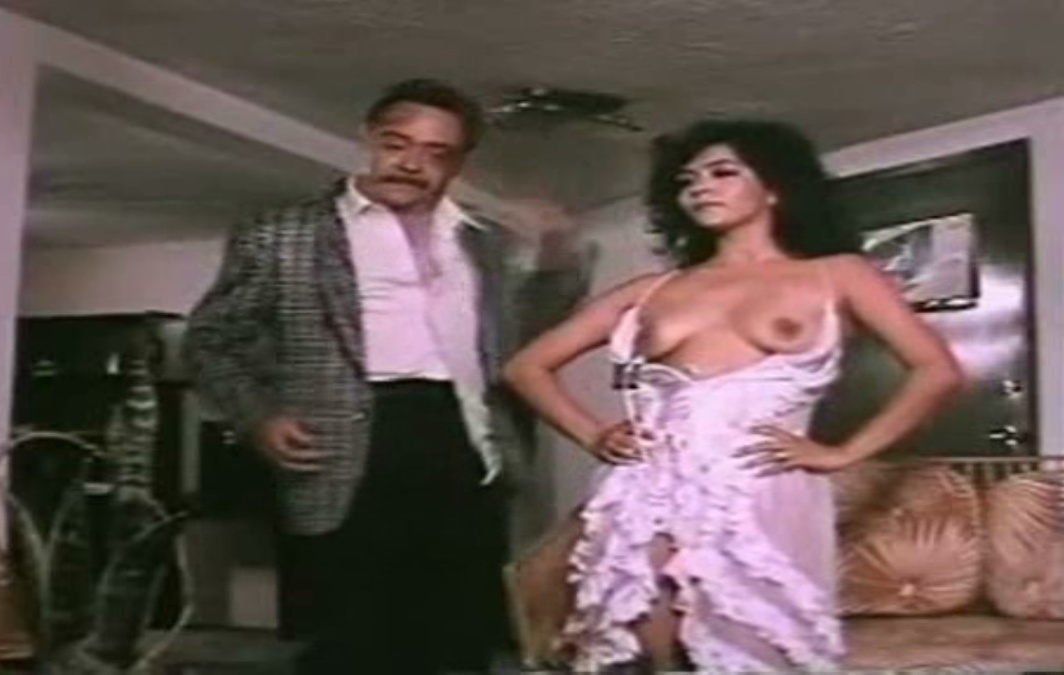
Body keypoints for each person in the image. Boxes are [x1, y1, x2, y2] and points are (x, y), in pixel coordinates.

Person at [502, 119, 964, 673]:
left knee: (750, 648)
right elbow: (526, 367)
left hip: (761, 483)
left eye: (722, 173)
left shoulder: (838, 275)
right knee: (647, 644)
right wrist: (594, 433)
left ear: (774, 188)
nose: (700, 188)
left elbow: (936, 371)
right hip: (647, 486)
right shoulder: (653, 289)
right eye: (688, 180)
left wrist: (844, 452)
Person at [182, 78, 592, 675]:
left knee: (459, 635)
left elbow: (524, 335)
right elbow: (213, 338)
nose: (411, 163)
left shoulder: (484, 241)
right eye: (397, 144)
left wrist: (558, 260)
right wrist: (258, 416)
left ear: (458, 162)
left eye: (436, 152)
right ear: (369, 138)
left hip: (466, 443)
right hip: (346, 444)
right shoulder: (283, 233)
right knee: (356, 636)